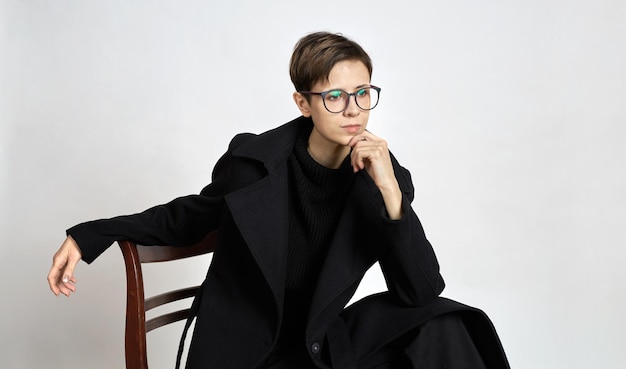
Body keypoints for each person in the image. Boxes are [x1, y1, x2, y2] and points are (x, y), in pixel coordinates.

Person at [48, 31, 510, 369]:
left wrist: (390, 193)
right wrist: (90, 235)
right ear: (302, 103)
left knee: (445, 324)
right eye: (335, 96)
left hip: (322, 346)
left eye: (363, 93)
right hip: (249, 355)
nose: (353, 110)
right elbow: (186, 217)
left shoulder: (381, 174)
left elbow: (421, 291)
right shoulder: (254, 164)